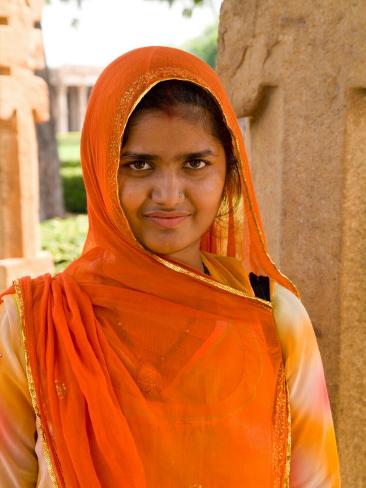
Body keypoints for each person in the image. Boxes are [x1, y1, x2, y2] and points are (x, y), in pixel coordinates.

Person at [0, 46, 340, 487]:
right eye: (139, 165)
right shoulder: (34, 324)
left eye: (195, 164)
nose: (168, 194)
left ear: (230, 172)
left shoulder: (274, 316)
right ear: (102, 171)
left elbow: (316, 479)